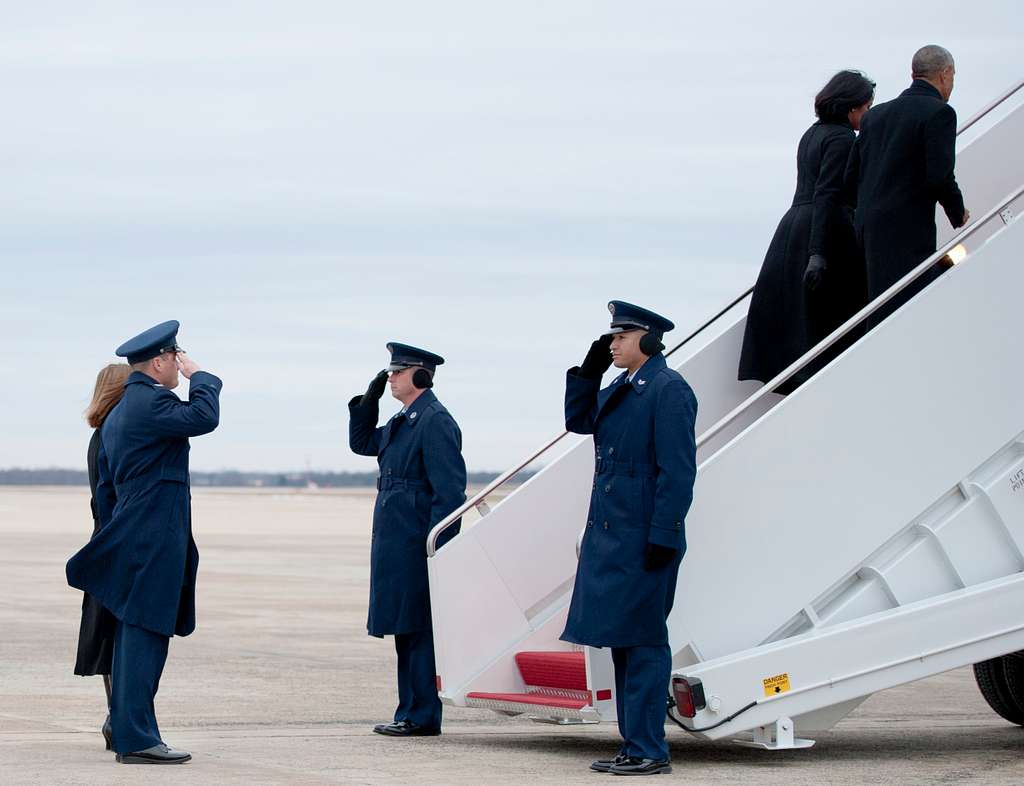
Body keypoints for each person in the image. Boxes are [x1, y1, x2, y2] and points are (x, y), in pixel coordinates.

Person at [66, 320, 222, 764]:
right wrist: (204, 378)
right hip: (151, 536)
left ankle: (131, 730)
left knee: (139, 634)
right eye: (176, 357)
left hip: (139, 533)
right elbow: (204, 417)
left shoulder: (122, 412)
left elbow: (108, 491)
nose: (179, 364)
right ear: (160, 361)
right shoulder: (148, 402)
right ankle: (137, 738)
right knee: (144, 635)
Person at [562, 302, 698, 776]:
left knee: (643, 642)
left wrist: (664, 533)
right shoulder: (622, 387)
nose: (613, 344)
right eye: (612, 337)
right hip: (612, 532)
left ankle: (649, 749)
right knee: (623, 640)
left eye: (621, 337)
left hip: (643, 538)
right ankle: (633, 743)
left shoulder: (668, 389)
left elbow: (677, 472)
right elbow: (580, 422)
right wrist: (588, 372)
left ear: (648, 339)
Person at [349, 342, 467, 737]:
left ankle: (421, 716)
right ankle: (409, 711)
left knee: (419, 629)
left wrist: (439, 549)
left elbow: (450, 493)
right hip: (396, 537)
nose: (391, 377)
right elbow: (364, 443)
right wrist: (368, 401)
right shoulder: (405, 419)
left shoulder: (434, 421)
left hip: (416, 539)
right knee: (404, 626)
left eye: (398, 371)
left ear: (420, 375)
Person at [739, 70, 876, 393]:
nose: (868, 114)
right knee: (831, 318)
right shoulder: (843, 139)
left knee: (797, 315)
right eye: (866, 107)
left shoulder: (812, 134)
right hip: (824, 227)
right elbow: (828, 193)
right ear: (851, 108)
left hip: (794, 225)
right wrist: (819, 252)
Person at [845, 45, 969, 328]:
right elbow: (940, 174)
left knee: (877, 311)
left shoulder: (874, 116)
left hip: (867, 230)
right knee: (908, 310)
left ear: (913, 74)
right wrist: (957, 211)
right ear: (945, 73)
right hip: (906, 231)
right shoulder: (939, 113)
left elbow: (850, 178)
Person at [75, 362, 131, 750]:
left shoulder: (101, 433)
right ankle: (118, 717)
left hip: (102, 540)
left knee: (108, 631)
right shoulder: (115, 433)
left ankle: (117, 715)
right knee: (117, 632)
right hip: (114, 543)